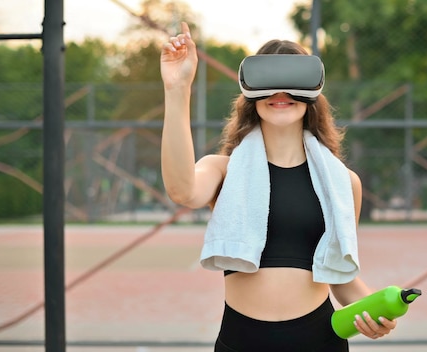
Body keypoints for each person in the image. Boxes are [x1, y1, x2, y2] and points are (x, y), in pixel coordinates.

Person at [160, 22, 397, 351]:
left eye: (293, 82)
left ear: (311, 93)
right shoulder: (224, 171)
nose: (281, 94)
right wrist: (177, 88)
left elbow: (340, 277)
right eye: (269, 83)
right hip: (242, 342)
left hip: (320, 341)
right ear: (251, 93)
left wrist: (373, 313)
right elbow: (182, 190)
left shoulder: (343, 182)